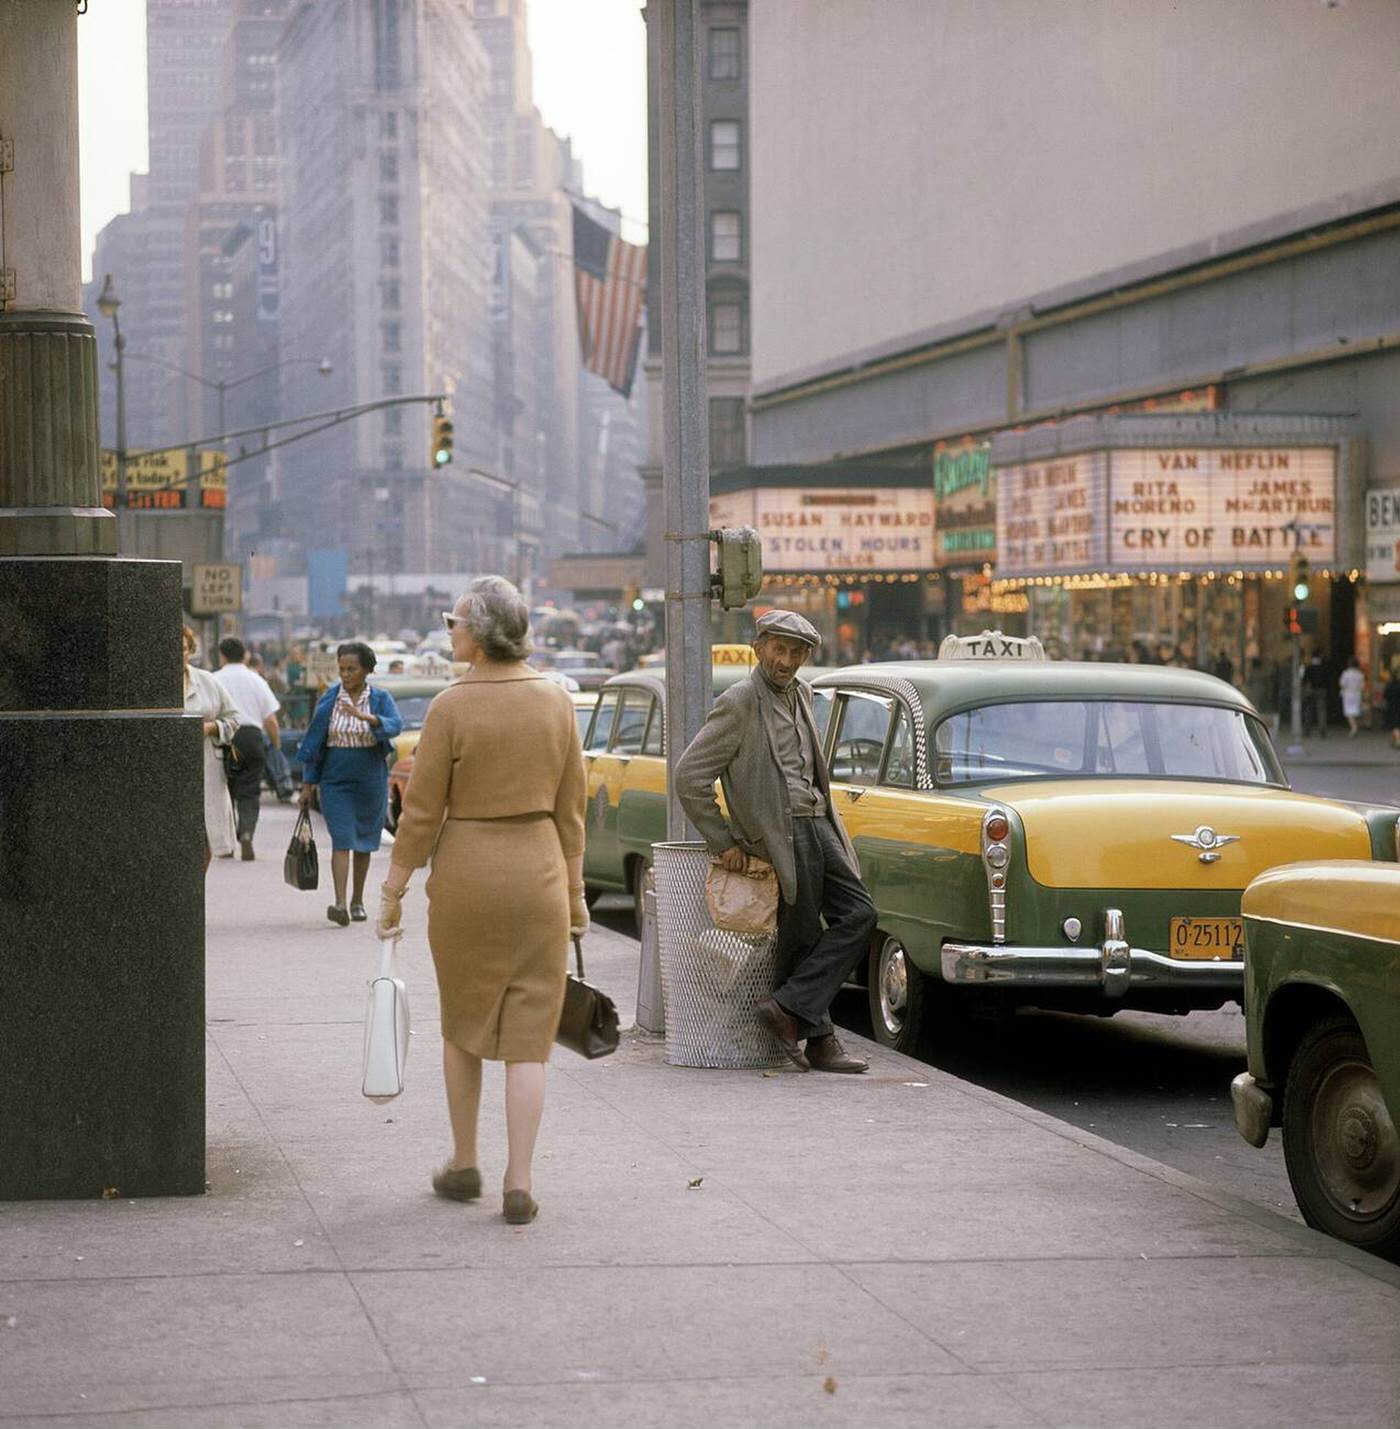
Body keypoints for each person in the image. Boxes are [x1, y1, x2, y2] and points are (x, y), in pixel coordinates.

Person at [378, 577, 587, 1226]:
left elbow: (420, 814)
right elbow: (571, 812)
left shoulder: (449, 708)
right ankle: (519, 1180)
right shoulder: (557, 702)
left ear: (480, 630)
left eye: (453, 621)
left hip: (467, 872)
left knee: (463, 1023)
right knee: (529, 1038)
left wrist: (393, 889)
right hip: (539, 873)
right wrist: (576, 898)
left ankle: (465, 1159)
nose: (450, 631)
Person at [675, 609, 877, 1074]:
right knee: (803, 934)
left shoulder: (803, 694)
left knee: (860, 914)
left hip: (819, 822)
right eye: (779, 650)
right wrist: (722, 840)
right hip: (781, 832)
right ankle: (821, 1043)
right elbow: (689, 776)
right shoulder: (740, 701)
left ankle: (787, 1008)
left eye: (796, 653)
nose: (786, 661)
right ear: (759, 647)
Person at [297, 642, 404, 925]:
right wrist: (307, 786)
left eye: (352, 669)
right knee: (342, 839)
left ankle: (358, 901)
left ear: (367, 670)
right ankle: (340, 903)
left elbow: (395, 725)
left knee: (365, 841)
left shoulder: (380, 699)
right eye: (342, 669)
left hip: (370, 777)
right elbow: (314, 744)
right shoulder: (329, 699)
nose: (345, 674)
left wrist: (367, 717)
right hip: (335, 779)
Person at [214, 636, 283, 858]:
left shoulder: (214, 680)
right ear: (245, 655)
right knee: (250, 790)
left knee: (226, 790)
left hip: (224, 738)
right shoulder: (256, 680)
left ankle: (227, 840)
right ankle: (247, 833)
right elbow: (271, 720)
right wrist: (276, 745)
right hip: (252, 738)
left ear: (222, 655)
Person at [182, 625, 240, 869]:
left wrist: (211, 728)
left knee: (204, 836)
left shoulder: (206, 681)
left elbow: (234, 717)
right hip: (167, 770)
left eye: (183, 649)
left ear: (191, 651)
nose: (178, 655)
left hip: (205, 767)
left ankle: (196, 892)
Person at [1339, 657, 1366, 738]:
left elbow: (1342, 684)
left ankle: (1354, 727)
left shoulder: (1346, 673)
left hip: (1348, 694)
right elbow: (1362, 686)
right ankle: (1355, 726)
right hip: (1357, 694)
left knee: (1349, 712)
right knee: (1355, 711)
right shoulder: (1360, 674)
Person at [1384, 664, 1400, 751]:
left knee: (1394, 725)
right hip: (1398, 706)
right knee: (1396, 724)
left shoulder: (1389, 685)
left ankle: (1398, 741)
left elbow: (1385, 695)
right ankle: (1394, 740)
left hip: (1392, 706)